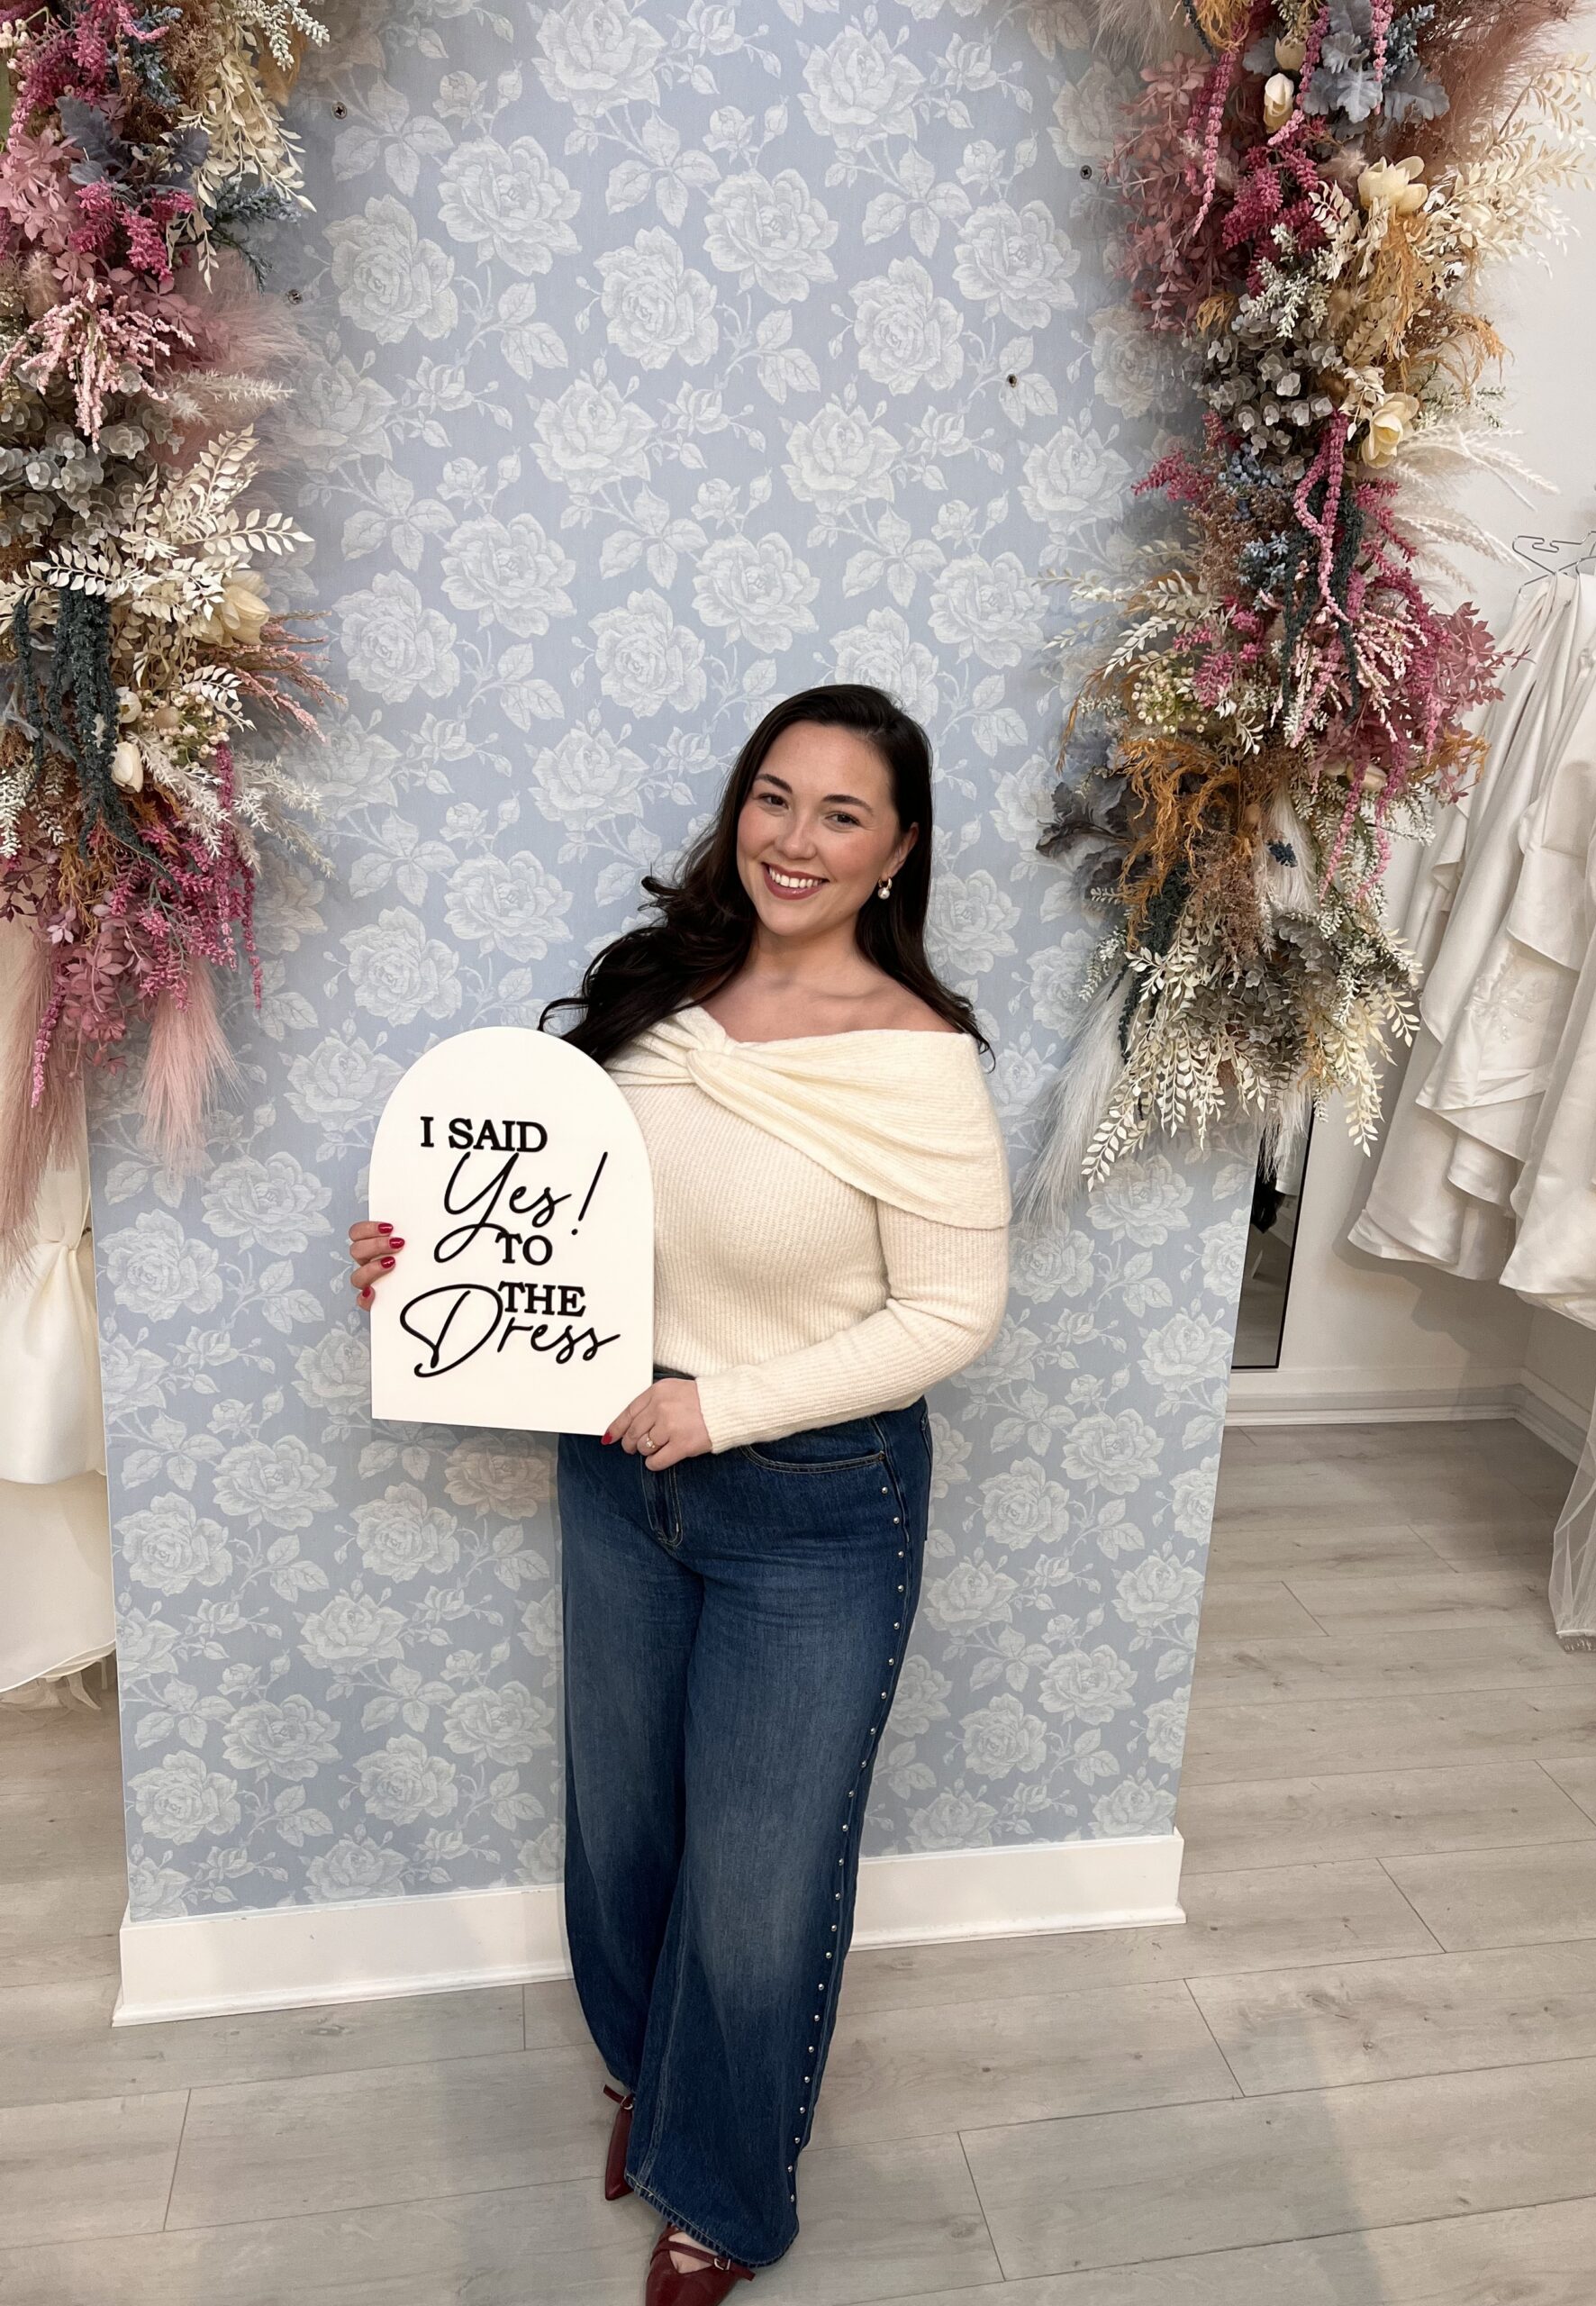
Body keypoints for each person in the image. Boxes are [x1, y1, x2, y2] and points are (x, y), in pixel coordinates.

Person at [348, 685, 1011, 2303]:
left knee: (763, 1868)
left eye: (841, 813)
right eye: (773, 798)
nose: (794, 838)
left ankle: (723, 2184)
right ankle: (656, 2086)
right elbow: (555, 1225)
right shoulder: (660, 1004)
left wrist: (726, 1404)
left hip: (815, 1504)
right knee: (626, 1829)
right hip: (616, 1474)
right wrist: (421, 1264)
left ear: (897, 852)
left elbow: (949, 1319)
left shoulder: (920, 1067)